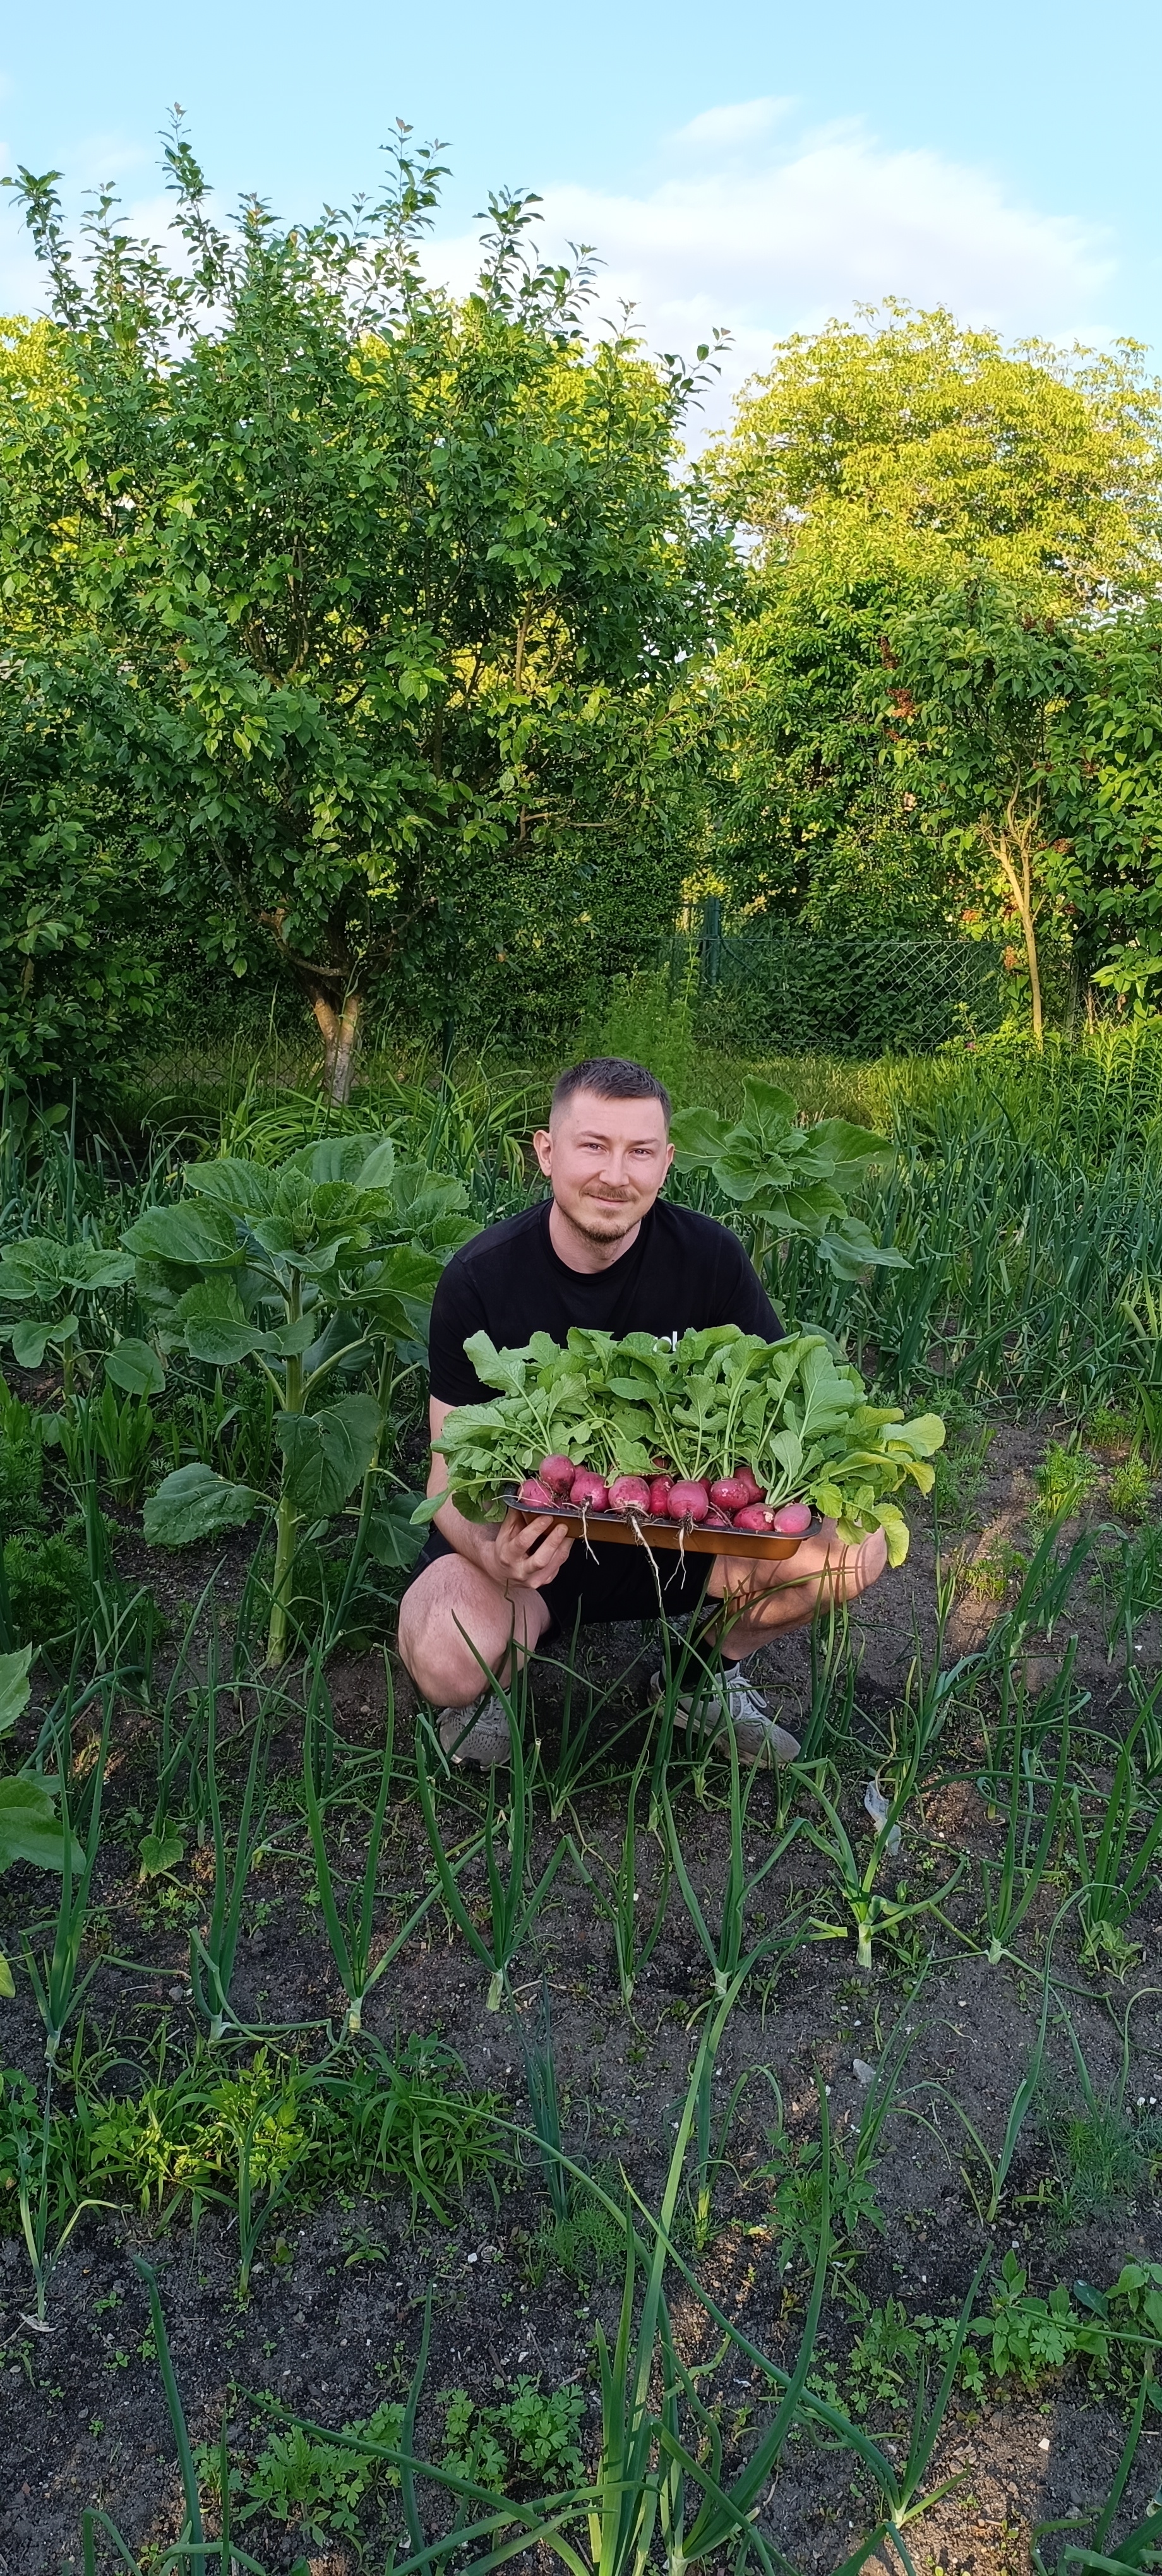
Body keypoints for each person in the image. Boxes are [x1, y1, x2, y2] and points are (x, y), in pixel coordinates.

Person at [398, 1057, 887, 1767]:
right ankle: (486, 1693)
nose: (614, 1175)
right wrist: (489, 1550)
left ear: (666, 1163)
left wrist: (791, 1490)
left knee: (850, 1552)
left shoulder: (709, 1258)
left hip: (681, 1531)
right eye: (593, 1146)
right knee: (446, 1651)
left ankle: (699, 1680)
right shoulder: (481, 1277)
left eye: (639, 1152)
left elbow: (785, 1392)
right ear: (546, 1152)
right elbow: (444, 1474)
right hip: (536, 1544)